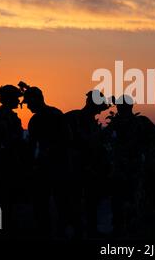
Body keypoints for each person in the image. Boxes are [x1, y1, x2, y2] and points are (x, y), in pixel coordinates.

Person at [106, 95, 155, 237]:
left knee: (140, 198)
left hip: (143, 166)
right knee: (131, 199)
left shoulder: (137, 123)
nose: (119, 108)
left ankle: (139, 227)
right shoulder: (130, 123)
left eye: (121, 105)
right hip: (135, 167)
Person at [19, 81, 73, 238]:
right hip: (50, 167)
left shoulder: (45, 118)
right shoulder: (53, 115)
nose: (27, 107)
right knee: (50, 204)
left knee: (52, 204)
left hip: (55, 167)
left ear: (36, 100)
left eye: (28, 103)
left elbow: (66, 140)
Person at [65, 90, 111, 238]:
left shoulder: (81, 118)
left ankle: (88, 230)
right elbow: (83, 142)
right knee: (78, 201)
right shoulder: (75, 118)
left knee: (91, 201)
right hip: (78, 168)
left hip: (89, 168)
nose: (99, 111)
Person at [0, 84, 26, 235]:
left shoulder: (2, 115)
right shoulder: (4, 116)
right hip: (6, 162)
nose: (18, 102)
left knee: (6, 198)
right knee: (4, 198)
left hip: (7, 161)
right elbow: (8, 139)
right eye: (16, 98)